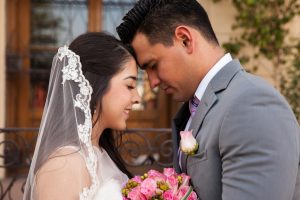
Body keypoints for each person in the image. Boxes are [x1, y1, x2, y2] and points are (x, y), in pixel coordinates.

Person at [116, 0, 300, 199]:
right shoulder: (199, 106)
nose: (152, 83)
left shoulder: (252, 104)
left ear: (185, 39)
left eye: (153, 65)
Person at [23, 32, 141, 199]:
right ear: (96, 83)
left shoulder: (100, 153)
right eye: (129, 85)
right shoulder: (61, 167)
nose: (137, 98)